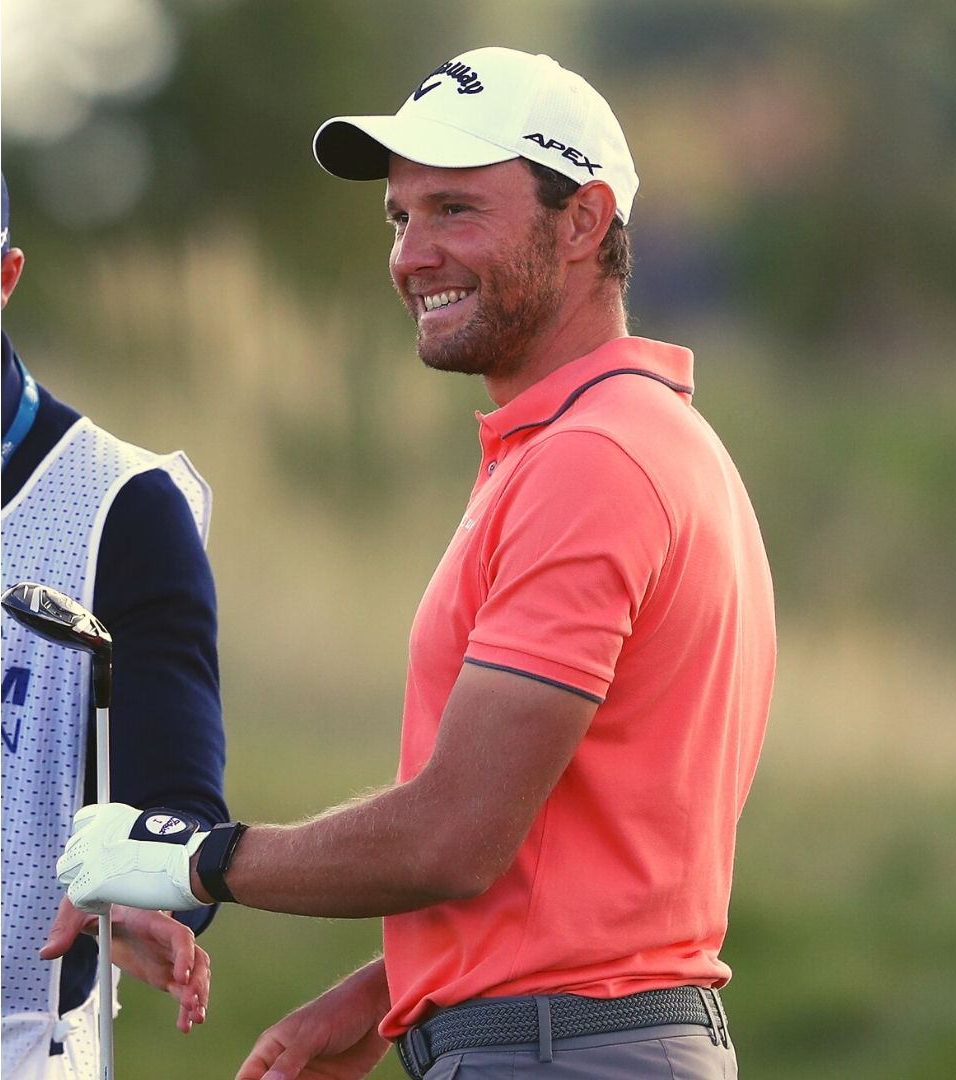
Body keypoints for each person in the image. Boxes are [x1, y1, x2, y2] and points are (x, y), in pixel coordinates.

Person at [51, 47, 775, 1080]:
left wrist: (190, 859)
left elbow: (454, 833)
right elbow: (577, 843)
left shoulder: (592, 462)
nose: (410, 255)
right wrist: (386, 997)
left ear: (582, 221)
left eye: (454, 211)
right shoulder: (629, 438)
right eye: (400, 218)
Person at [0, 175, 229, 1079]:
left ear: (5, 274)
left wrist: (144, 893)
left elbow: (181, 805)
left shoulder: (125, 505)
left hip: (30, 1047)